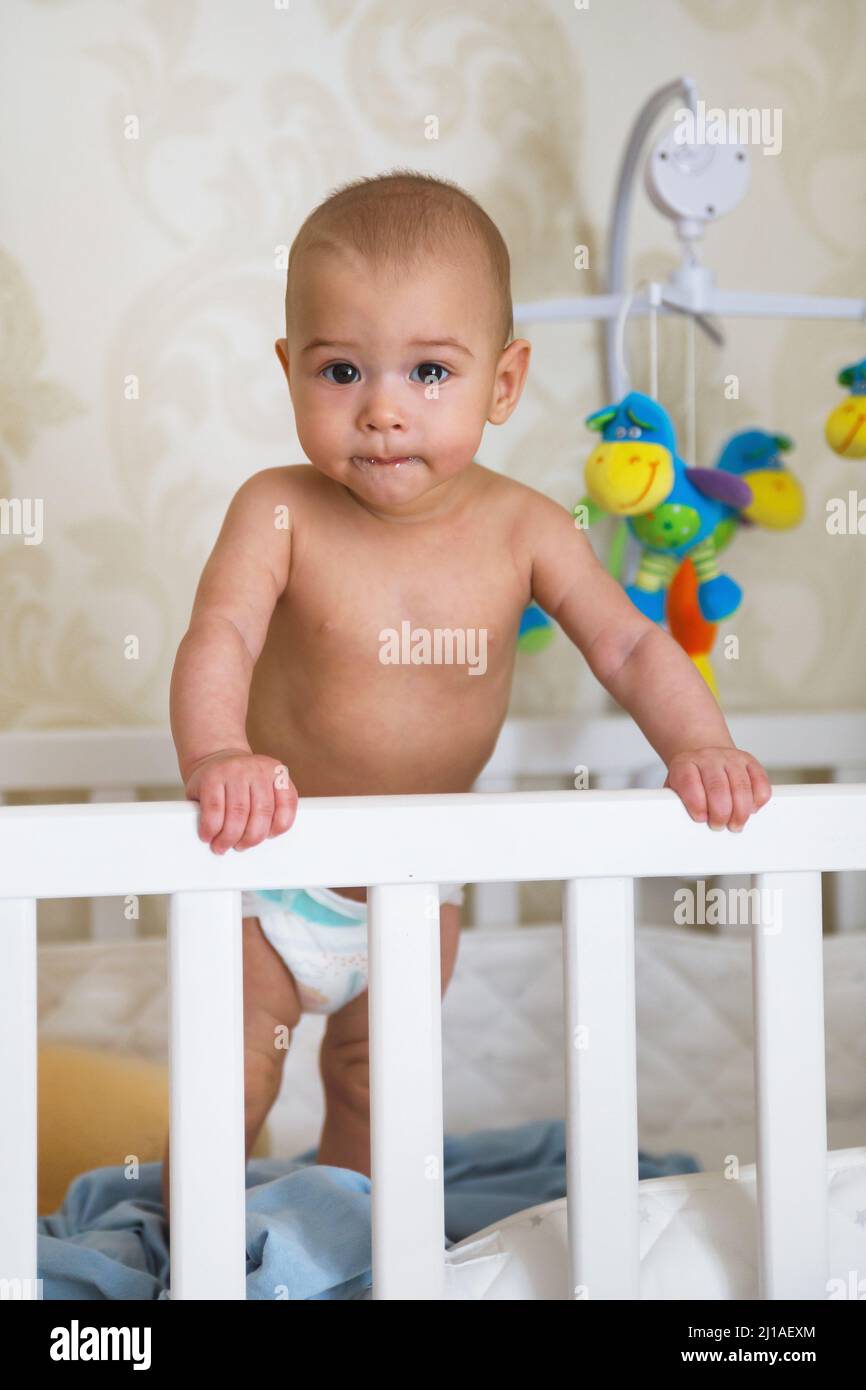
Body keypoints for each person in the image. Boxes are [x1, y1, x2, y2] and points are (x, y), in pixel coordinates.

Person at [162, 169, 771, 1213]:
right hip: (268, 871)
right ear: (289, 373)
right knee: (232, 1077)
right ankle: (202, 1257)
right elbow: (218, 630)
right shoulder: (277, 510)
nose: (384, 410)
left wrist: (697, 745)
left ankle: (340, 1251)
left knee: (372, 1083)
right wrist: (219, 755)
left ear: (502, 382)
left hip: (416, 881)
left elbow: (628, 647)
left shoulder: (527, 527)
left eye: (430, 372)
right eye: (342, 369)